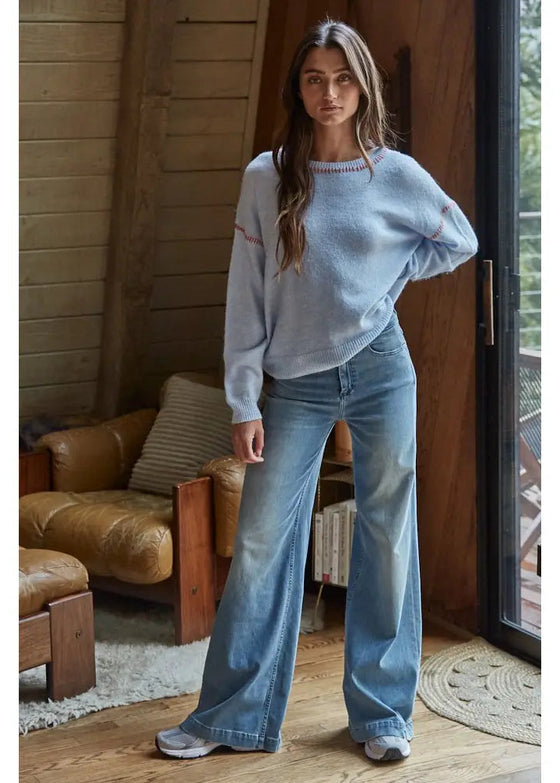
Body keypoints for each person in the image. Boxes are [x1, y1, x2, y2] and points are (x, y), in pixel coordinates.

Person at [155, 17, 478, 764]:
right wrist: (242, 400)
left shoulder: (392, 173)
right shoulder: (265, 176)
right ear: (297, 89)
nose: (328, 93)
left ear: (362, 85)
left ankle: (381, 714)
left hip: (381, 368)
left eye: (342, 78)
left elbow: (456, 238)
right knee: (264, 539)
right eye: (313, 79)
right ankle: (231, 715)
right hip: (294, 383)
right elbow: (246, 299)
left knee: (386, 533)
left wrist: (386, 284)